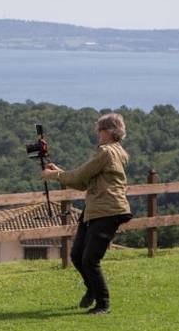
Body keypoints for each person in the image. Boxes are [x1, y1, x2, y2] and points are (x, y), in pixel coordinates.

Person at [42, 113, 132, 314]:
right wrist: (60, 172)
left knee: (90, 259)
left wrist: (53, 175)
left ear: (109, 132)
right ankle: (93, 290)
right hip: (94, 209)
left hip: (107, 210)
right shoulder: (114, 153)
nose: (98, 134)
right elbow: (83, 183)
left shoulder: (107, 153)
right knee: (77, 255)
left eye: (100, 130)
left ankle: (103, 304)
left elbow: (81, 175)